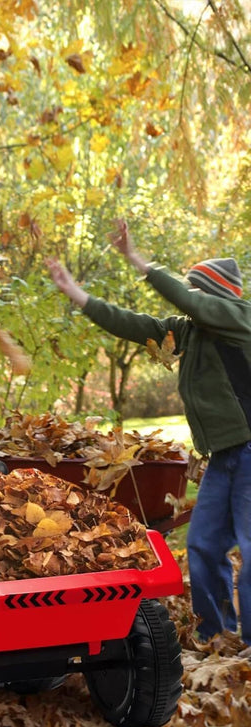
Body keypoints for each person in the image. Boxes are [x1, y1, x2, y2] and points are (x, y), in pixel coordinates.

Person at [47, 219, 251, 655]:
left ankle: (250, 643)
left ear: (214, 296)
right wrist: (76, 294)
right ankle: (216, 637)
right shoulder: (190, 332)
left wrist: (138, 259)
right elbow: (131, 323)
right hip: (224, 457)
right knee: (203, 543)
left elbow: (185, 298)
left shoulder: (237, 317)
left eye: (197, 292)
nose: (190, 298)